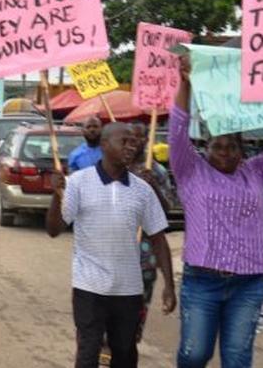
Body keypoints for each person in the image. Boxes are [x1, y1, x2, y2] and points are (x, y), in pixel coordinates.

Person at [46, 122, 176, 368]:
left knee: (125, 352)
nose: (132, 146)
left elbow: (159, 238)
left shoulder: (142, 189)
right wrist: (56, 195)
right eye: (124, 141)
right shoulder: (78, 182)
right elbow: (54, 230)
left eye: (133, 142)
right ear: (105, 145)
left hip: (128, 288)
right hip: (89, 286)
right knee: (88, 351)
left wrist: (169, 285)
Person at [171, 56, 263, 368]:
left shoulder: (255, 172)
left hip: (250, 281)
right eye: (218, 146)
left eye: (232, 146)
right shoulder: (191, 171)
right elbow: (178, 128)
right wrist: (185, 83)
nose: (225, 152)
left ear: (243, 151)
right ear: (205, 148)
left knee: (238, 359)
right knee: (194, 354)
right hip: (202, 281)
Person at [128, 123, 176, 344]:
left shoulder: (157, 171)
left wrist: (153, 186)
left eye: (140, 137)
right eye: (130, 137)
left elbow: (166, 212)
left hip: (144, 263)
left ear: (147, 140)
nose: (134, 142)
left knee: (132, 327)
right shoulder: (115, 168)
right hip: (111, 261)